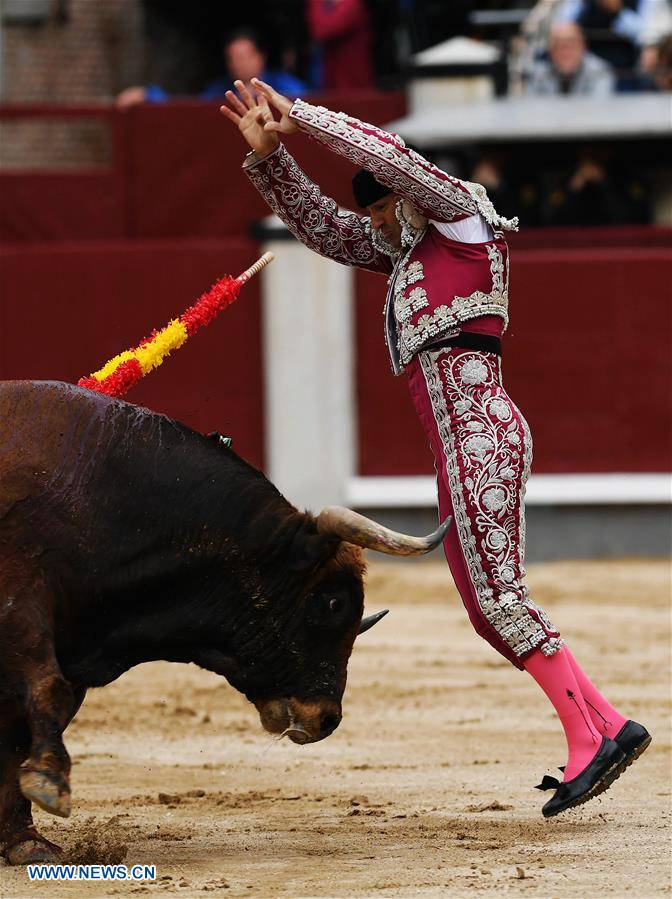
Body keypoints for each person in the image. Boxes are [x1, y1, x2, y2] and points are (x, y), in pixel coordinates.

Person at [219, 79, 651, 818]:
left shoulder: (460, 217)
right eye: (376, 214)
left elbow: (385, 152)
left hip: (482, 433)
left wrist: (306, 119)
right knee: (488, 607)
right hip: (459, 443)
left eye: (385, 206)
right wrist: (268, 160)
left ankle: (590, 738)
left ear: (408, 192)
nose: (380, 223)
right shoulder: (409, 253)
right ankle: (607, 724)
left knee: (497, 596)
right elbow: (326, 229)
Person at [117, 28, 306, 108]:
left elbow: (306, 105)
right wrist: (149, 95)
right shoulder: (221, 90)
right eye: (232, 59)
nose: (237, 64)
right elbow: (192, 112)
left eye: (242, 57)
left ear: (260, 58)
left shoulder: (284, 85)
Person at [524, 20, 616, 94]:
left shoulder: (601, 71)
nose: (566, 51)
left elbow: (598, 109)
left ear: (583, 45)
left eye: (571, 43)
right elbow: (535, 109)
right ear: (550, 50)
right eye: (559, 45)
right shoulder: (537, 74)